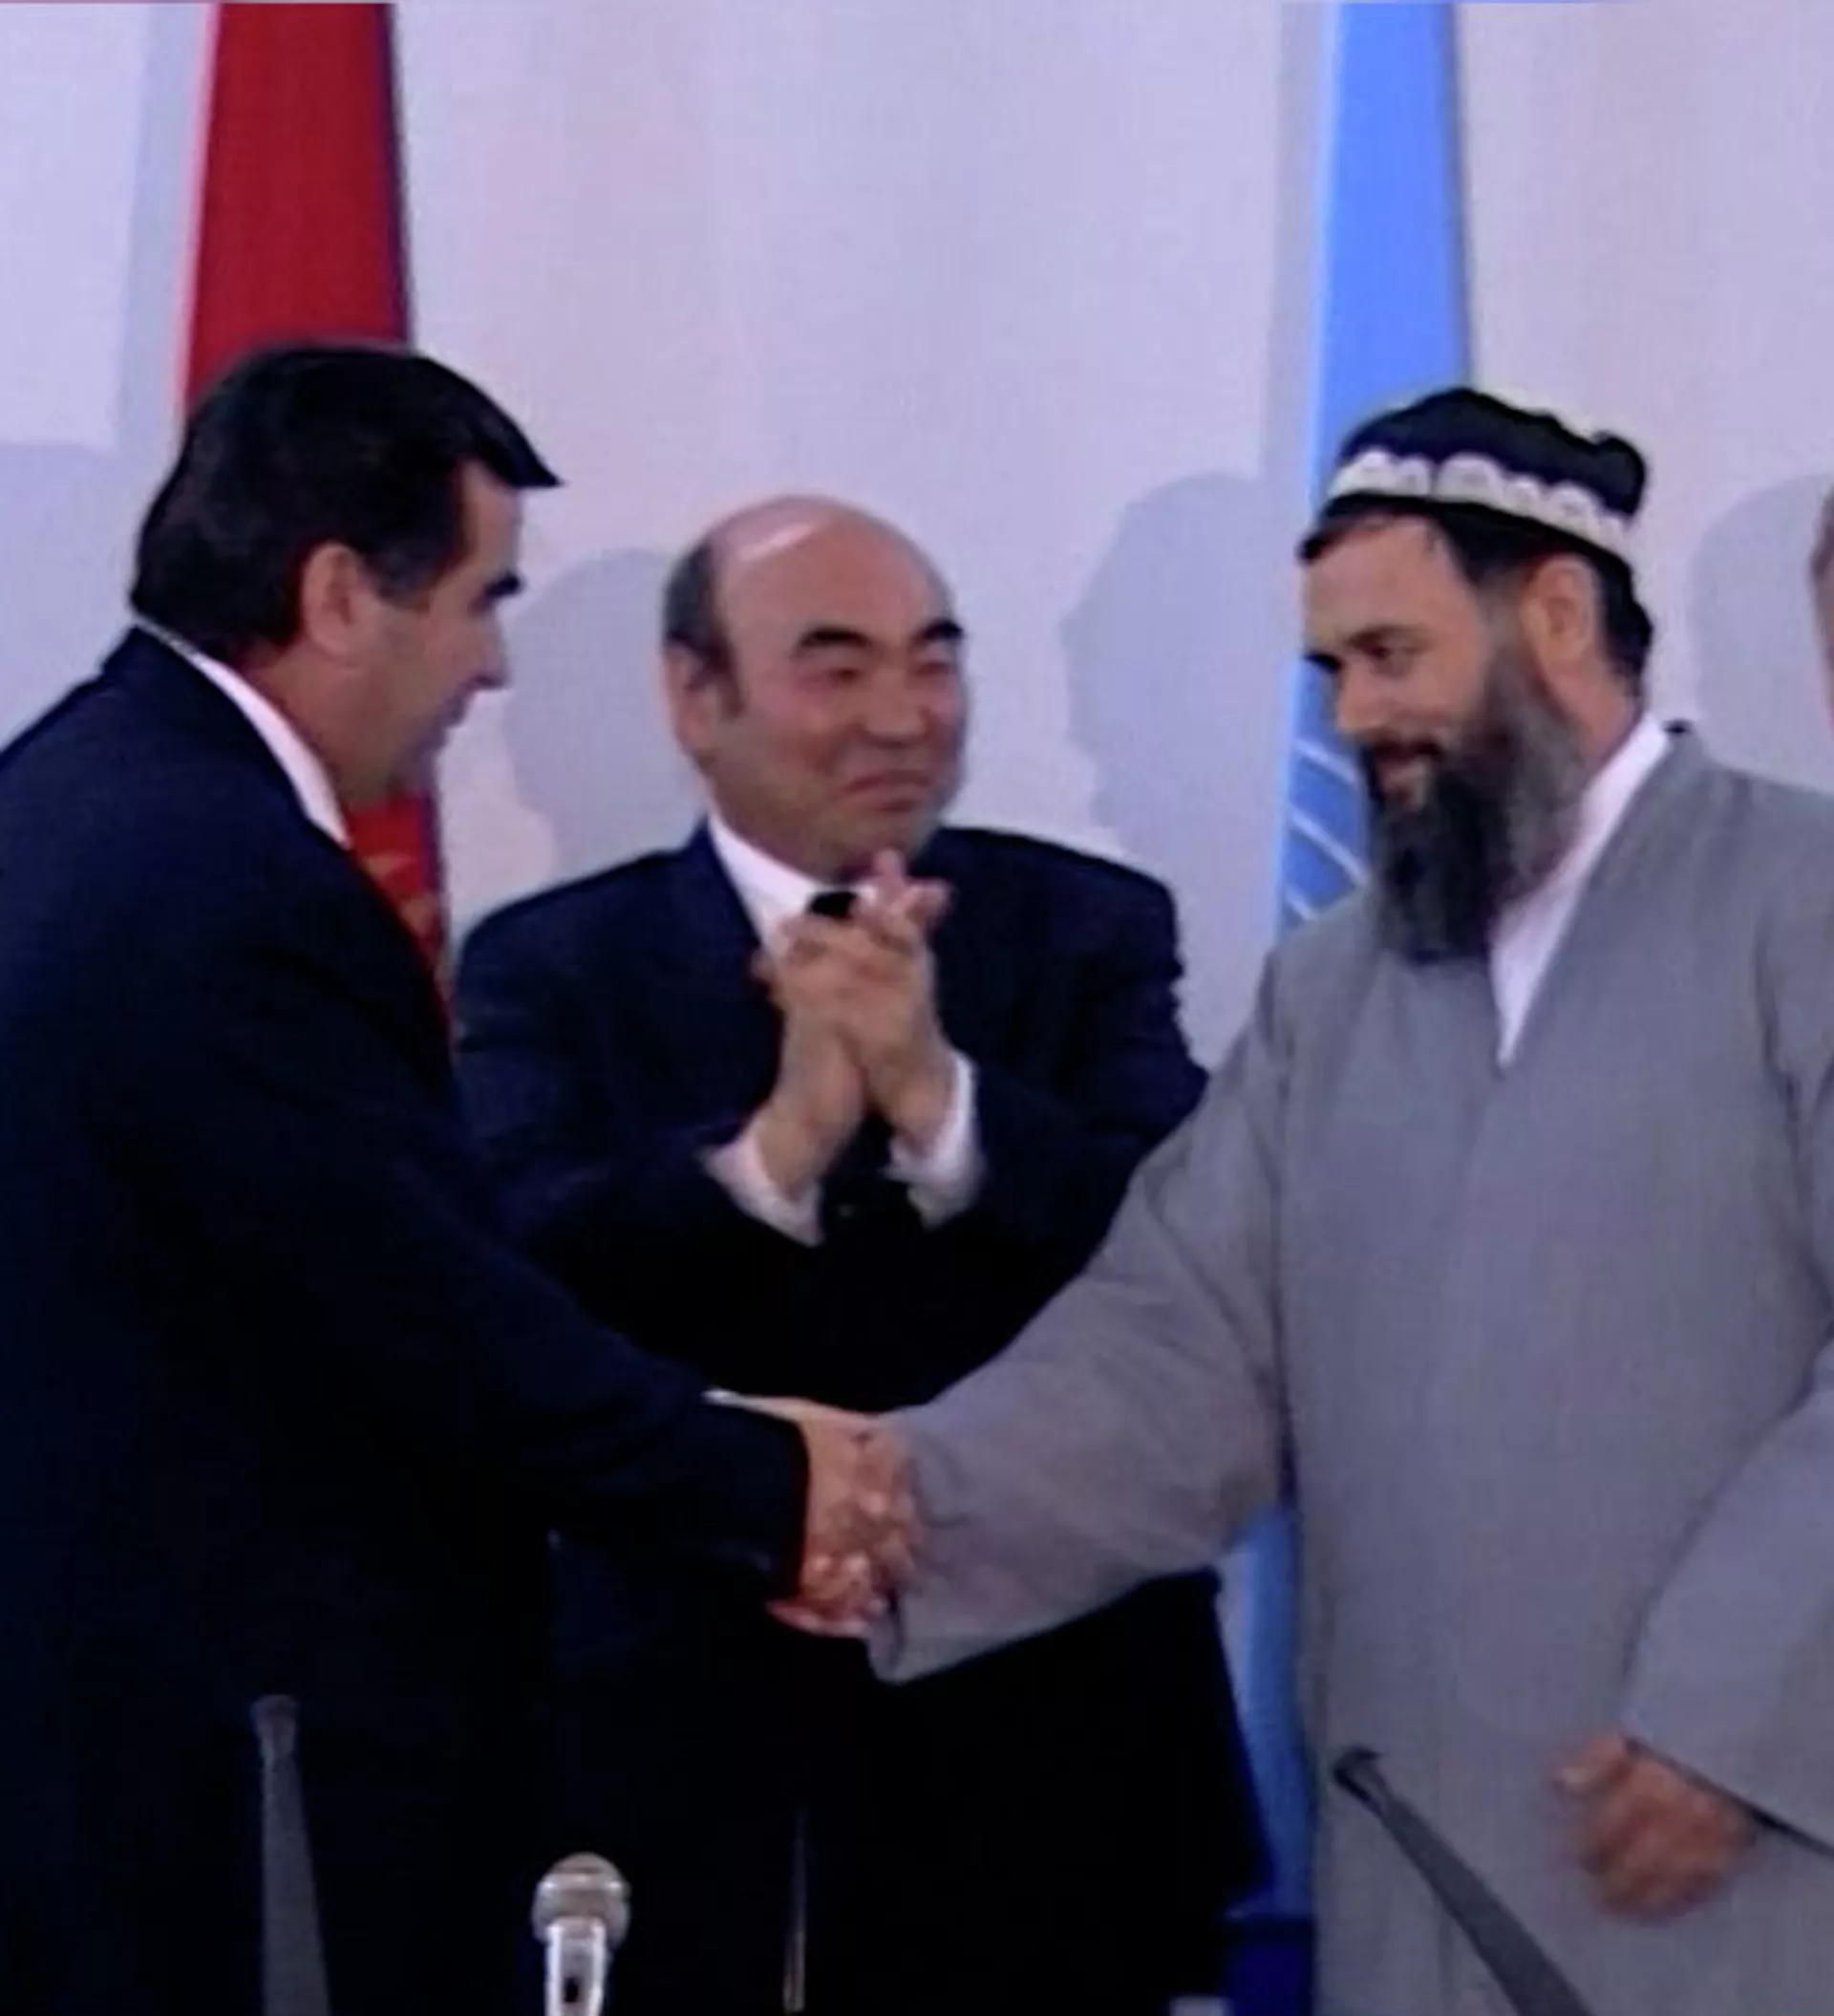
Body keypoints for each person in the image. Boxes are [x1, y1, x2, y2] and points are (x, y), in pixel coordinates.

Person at [868, 390, 1834, 2016]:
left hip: (1740, 1862)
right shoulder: (1333, 989)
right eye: (1332, 671)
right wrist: (886, 1506)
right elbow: (1176, 1349)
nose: (1355, 715)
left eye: (1392, 655)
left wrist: (1736, 1714)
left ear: (1556, 615)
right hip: (1415, 1879)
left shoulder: (1804, 907)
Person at [0, 346, 903, 2016]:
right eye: (481, 599)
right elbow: (420, 1314)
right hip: (235, 1763)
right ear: (342, 592)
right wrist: (763, 1481)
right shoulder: (229, 879)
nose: (491, 665)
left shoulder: (64, 796)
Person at [455, 497, 1264, 2015]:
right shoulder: (550, 967)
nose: (902, 715)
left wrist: (938, 1098)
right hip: (690, 1760)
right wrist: (783, 1143)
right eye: (837, 668)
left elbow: (1189, 1251)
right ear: (695, 696)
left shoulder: (1086, 928)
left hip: (1062, 1758)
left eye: (933, 661)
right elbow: (528, 1300)